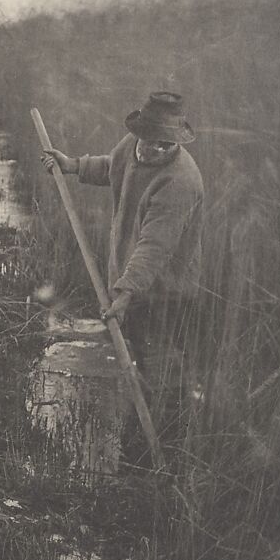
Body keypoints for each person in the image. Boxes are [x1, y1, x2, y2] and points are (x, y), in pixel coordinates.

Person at [41, 92, 205, 424]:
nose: (156, 149)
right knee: (140, 356)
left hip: (165, 288)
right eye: (151, 141)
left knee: (159, 366)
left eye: (166, 144)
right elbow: (113, 167)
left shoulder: (181, 181)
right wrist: (73, 165)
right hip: (134, 279)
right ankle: (144, 430)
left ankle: (160, 441)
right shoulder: (131, 146)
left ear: (176, 142)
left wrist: (126, 291)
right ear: (140, 132)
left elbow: (155, 246)